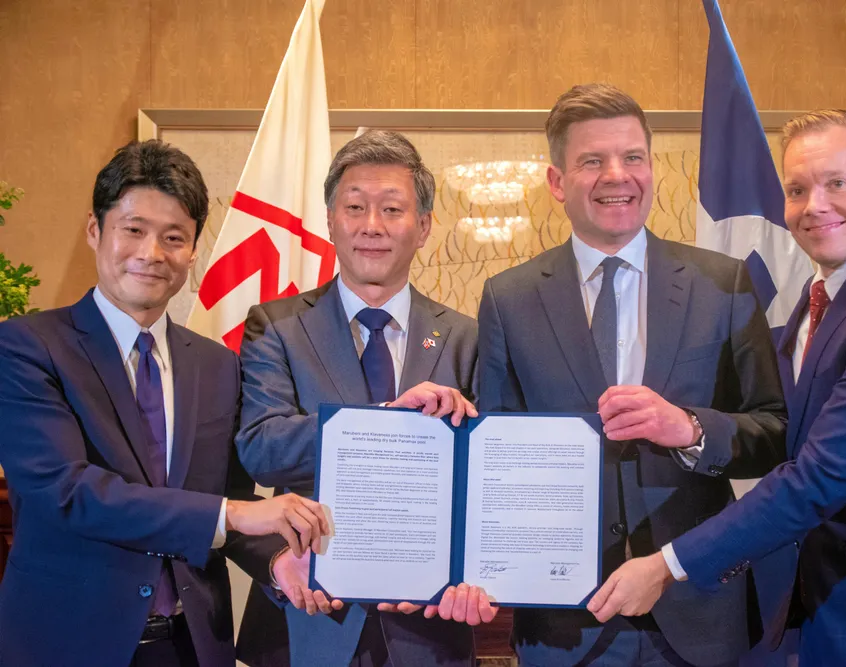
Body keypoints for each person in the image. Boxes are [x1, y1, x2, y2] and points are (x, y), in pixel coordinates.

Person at [588, 110, 846, 667]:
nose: (814, 206)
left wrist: (667, 565)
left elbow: (821, 474)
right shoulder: (819, 297)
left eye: (837, 183)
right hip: (828, 597)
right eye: (797, 189)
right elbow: (788, 430)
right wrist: (688, 427)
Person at [477, 83, 787, 667]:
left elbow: (775, 433)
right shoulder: (508, 298)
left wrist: (691, 429)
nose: (617, 175)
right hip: (564, 623)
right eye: (592, 161)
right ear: (557, 182)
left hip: (697, 611)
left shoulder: (723, 283)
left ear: (652, 168)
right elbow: (494, 454)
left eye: (633, 157)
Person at [0, 139, 330, 667]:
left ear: (193, 251)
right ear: (95, 230)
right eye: (133, 230)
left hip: (191, 646)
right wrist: (236, 513)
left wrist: (276, 564)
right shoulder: (26, 346)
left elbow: (228, 500)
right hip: (66, 641)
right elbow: (66, 493)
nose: (152, 254)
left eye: (174, 237)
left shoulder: (218, 365)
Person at [236, 129, 495, 667]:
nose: (372, 225)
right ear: (330, 220)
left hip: (431, 626)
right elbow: (261, 449)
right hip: (308, 616)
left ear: (424, 226)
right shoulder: (276, 326)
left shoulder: (467, 338)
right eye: (355, 207)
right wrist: (387, 421)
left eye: (392, 209)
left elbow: (488, 478)